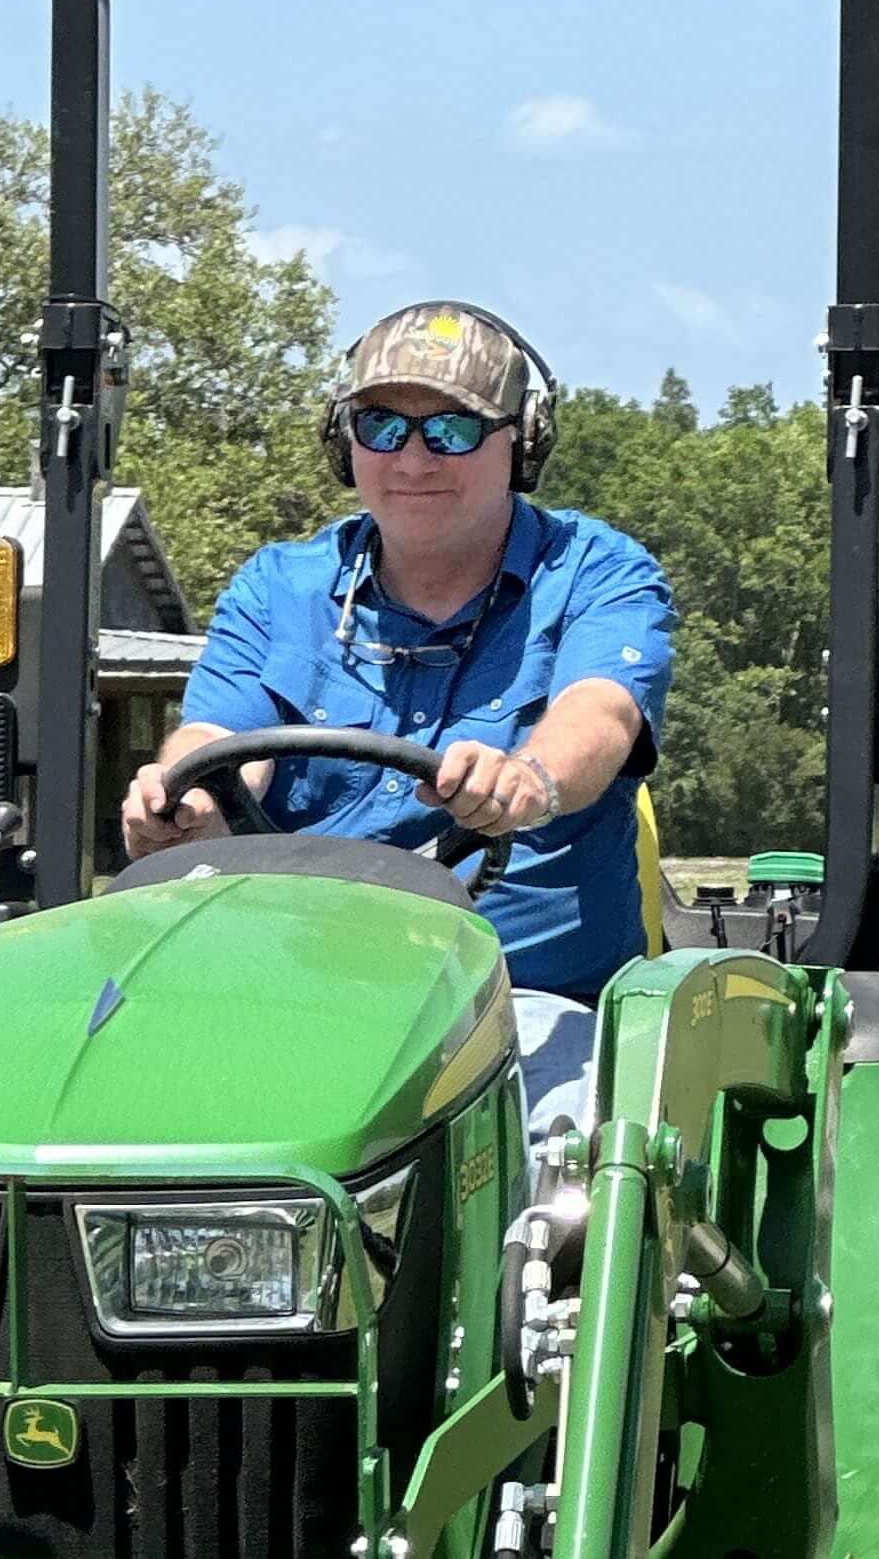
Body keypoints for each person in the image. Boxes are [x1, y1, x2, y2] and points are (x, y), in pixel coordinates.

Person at [121, 302, 674, 1138]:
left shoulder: (597, 572)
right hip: (287, 992)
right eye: (381, 426)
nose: (412, 459)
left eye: (451, 429)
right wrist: (183, 800)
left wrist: (528, 779)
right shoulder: (279, 586)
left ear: (522, 442)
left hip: (517, 999)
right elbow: (217, 739)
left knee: (561, 1156)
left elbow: (598, 712)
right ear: (342, 441)